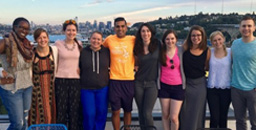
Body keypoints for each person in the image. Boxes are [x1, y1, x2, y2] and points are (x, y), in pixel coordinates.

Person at [0, 17, 34, 130]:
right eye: (21, 27)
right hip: (11, 88)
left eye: (27, 29)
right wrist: (0, 71)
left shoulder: (27, 44)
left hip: (27, 86)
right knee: (18, 124)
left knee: (25, 122)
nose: (25, 31)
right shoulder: (5, 42)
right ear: (14, 27)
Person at [103, 17, 135, 130]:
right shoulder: (109, 40)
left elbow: (142, 51)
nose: (120, 28)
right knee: (115, 111)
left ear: (126, 27)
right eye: (117, 26)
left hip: (129, 80)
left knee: (127, 110)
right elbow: (100, 51)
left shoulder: (133, 39)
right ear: (114, 28)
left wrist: (138, 64)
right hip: (114, 80)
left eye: (122, 26)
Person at [180, 25, 210, 130]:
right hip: (186, 84)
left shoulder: (207, 51)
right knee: (184, 112)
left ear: (202, 37)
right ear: (190, 37)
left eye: (198, 35)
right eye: (193, 35)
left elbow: (207, 67)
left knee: (198, 112)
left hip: (200, 86)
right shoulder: (184, 49)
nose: (195, 38)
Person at [54, 19, 83, 130]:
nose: (71, 32)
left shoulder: (79, 44)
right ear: (64, 31)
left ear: (76, 32)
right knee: (61, 110)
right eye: (68, 30)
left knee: (74, 111)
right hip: (61, 80)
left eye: (73, 30)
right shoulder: (58, 44)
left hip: (76, 81)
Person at [79, 31, 110, 130]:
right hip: (86, 88)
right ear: (90, 39)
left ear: (102, 41)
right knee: (89, 113)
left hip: (103, 88)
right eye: (94, 38)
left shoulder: (107, 52)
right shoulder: (83, 52)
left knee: (101, 112)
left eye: (98, 39)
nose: (96, 41)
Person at [28, 28, 58, 125]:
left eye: (44, 37)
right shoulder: (32, 53)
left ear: (48, 38)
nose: (42, 40)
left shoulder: (54, 51)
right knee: (38, 114)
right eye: (39, 38)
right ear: (36, 39)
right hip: (37, 89)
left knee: (51, 113)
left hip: (51, 88)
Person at [231, 16, 256, 130]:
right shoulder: (235, 44)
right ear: (240, 28)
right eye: (244, 26)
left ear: (254, 28)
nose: (246, 28)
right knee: (240, 122)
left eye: (249, 26)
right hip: (236, 88)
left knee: (255, 122)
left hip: (253, 89)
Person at [133, 23, 160, 130]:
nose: (145, 33)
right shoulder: (136, 47)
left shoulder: (158, 45)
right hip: (138, 83)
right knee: (141, 112)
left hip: (152, 84)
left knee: (147, 112)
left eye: (148, 31)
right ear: (140, 33)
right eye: (143, 31)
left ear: (151, 33)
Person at [159, 30, 186, 130]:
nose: (170, 41)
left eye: (172, 38)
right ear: (164, 40)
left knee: (174, 117)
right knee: (165, 115)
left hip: (178, 87)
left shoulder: (180, 50)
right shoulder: (161, 52)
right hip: (164, 86)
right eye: (167, 39)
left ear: (176, 39)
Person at [207, 31, 231, 128]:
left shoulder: (230, 52)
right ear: (211, 42)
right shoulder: (209, 52)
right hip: (212, 88)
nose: (217, 42)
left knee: (223, 117)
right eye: (214, 40)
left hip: (226, 88)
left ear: (223, 39)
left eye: (219, 39)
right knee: (214, 117)